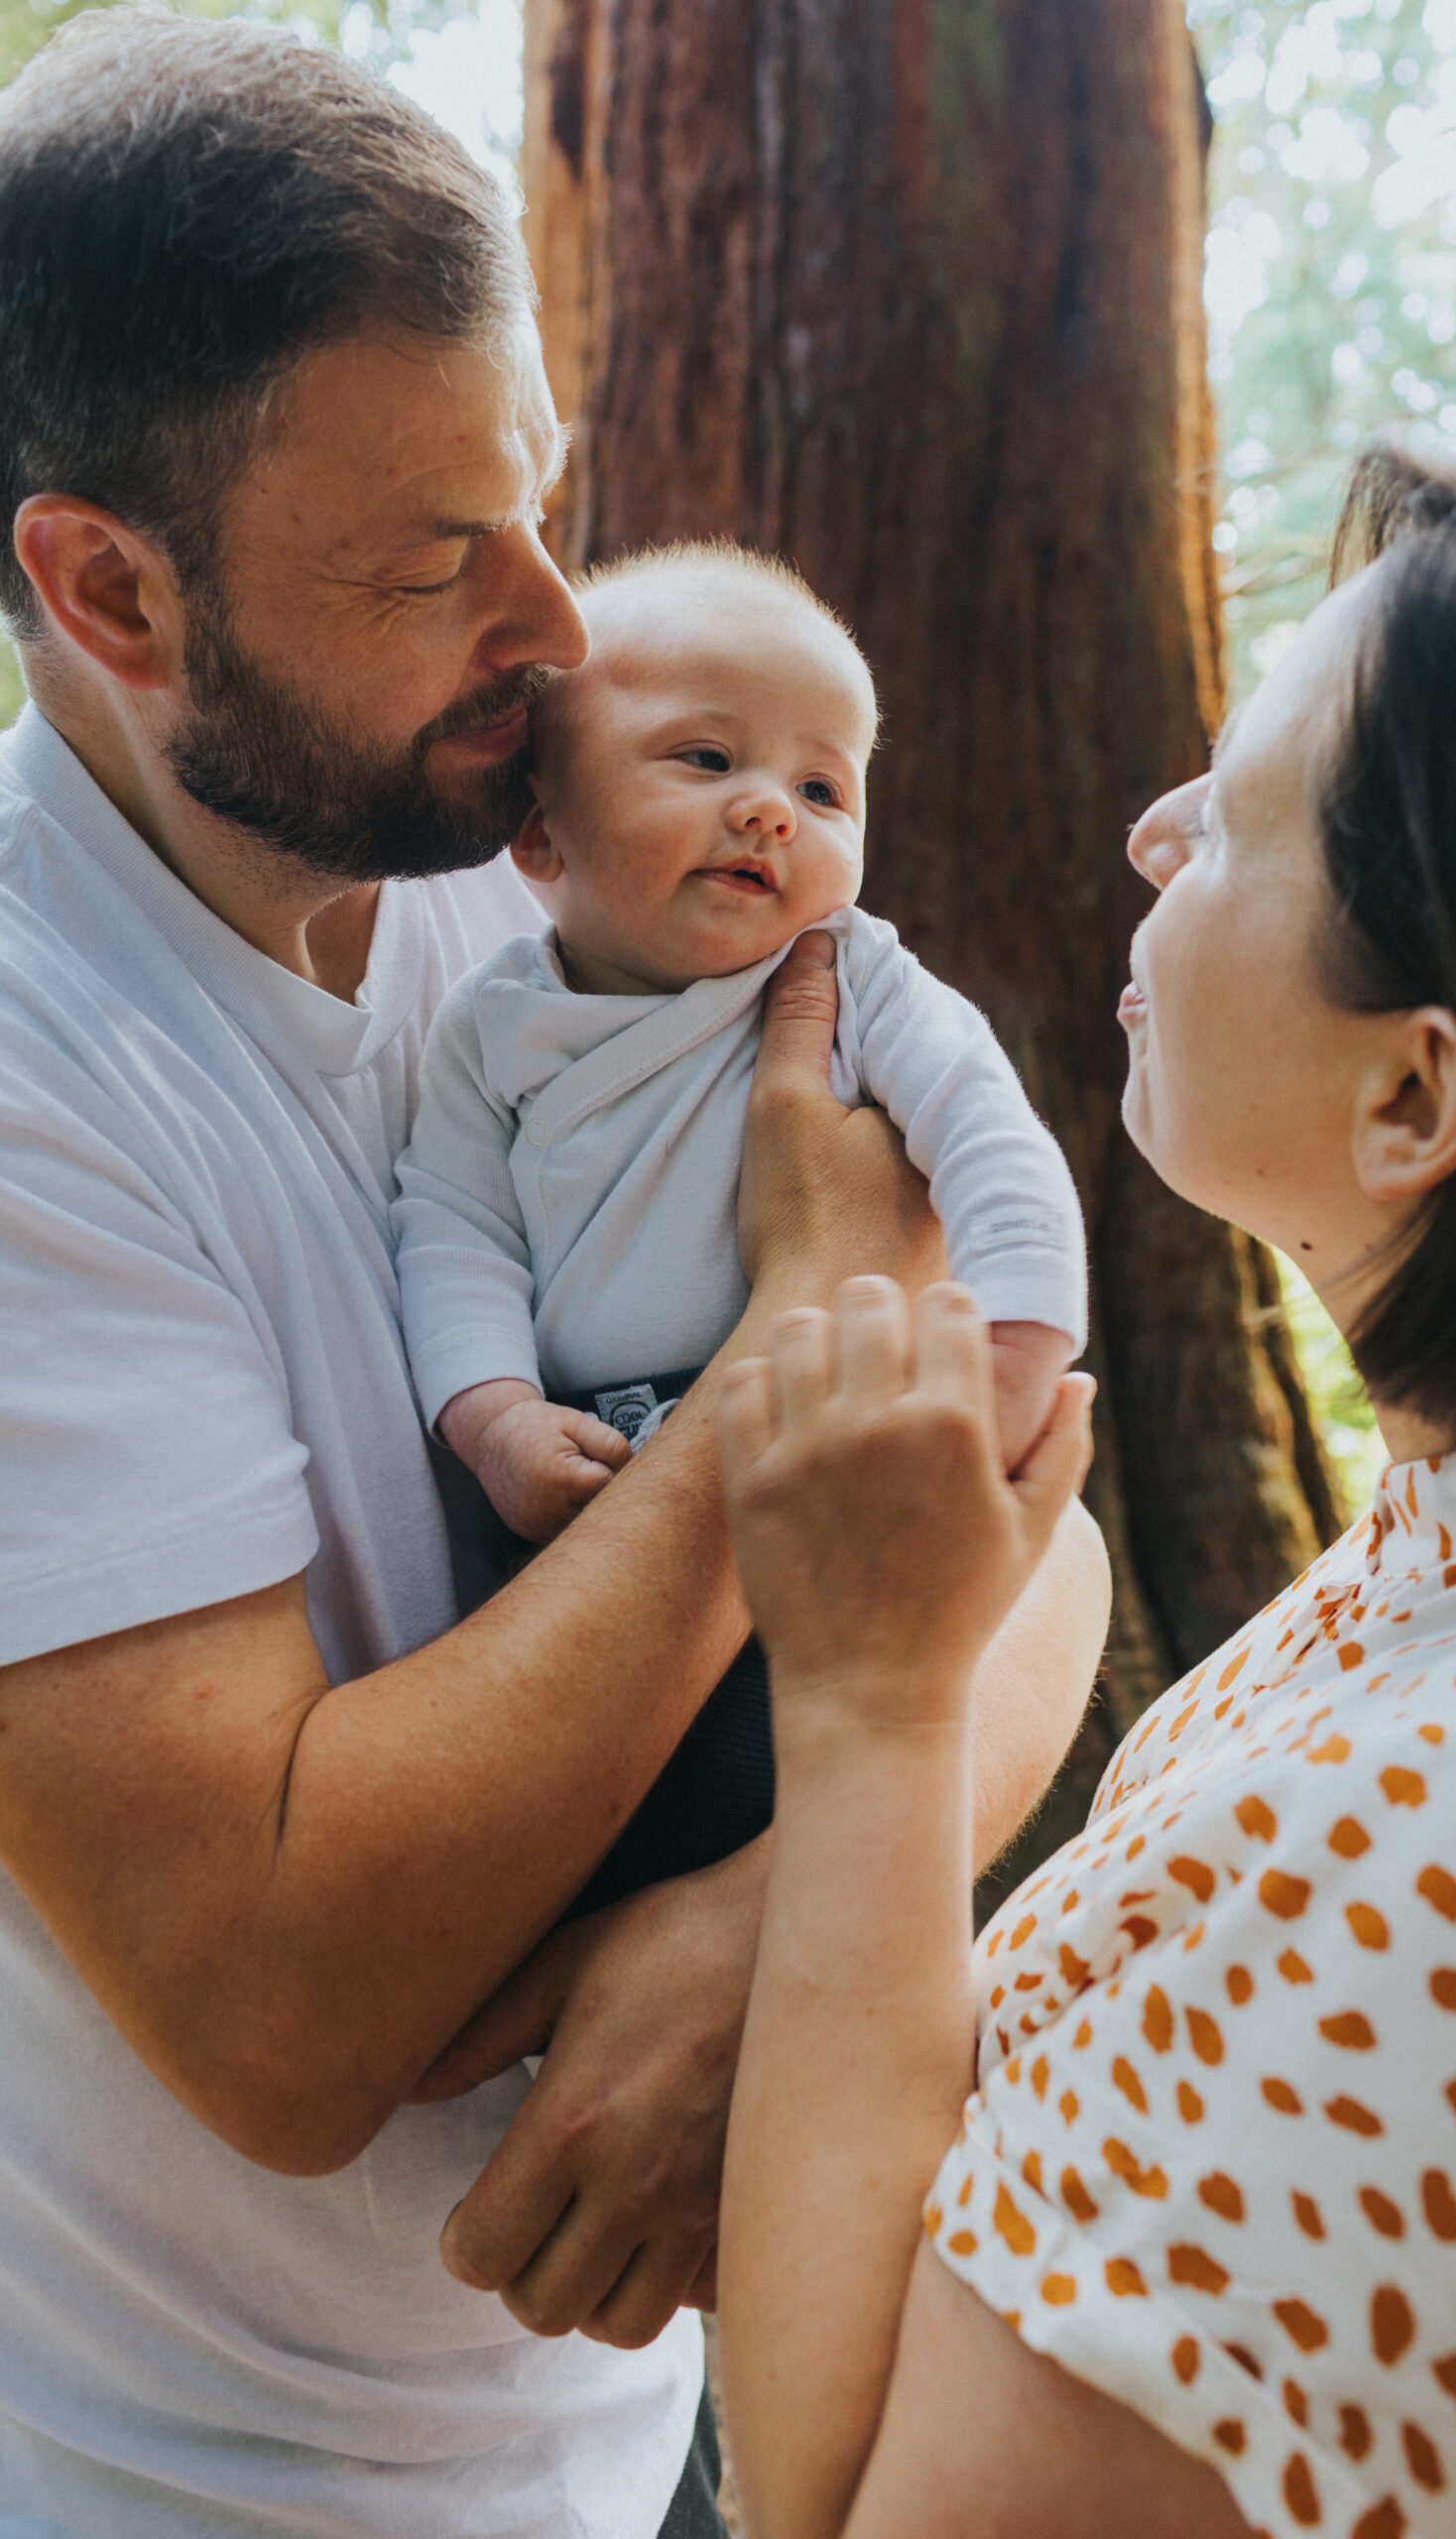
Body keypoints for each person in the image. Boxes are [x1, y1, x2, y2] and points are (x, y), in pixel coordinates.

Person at [0, 16, 1110, 2536]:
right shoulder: (37, 1080)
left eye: (547, 497)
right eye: (430, 563)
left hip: (620, 2439)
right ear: (106, 588)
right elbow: (290, 2009)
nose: (557, 624)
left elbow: (1046, 1529)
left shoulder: (569, 880)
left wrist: (808, 1884)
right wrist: (789, 1353)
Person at [667, 438, 1456, 2539]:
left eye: (1230, 816)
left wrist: (867, 1702)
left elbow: (842, 2505)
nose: (1148, 827)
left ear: (1413, 1089)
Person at [393, 542, 1086, 1909]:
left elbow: (990, 1137)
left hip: (828, 1452)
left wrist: (1015, 1346)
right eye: (706, 760)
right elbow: (452, 1230)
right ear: (542, 835)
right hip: (591, 1471)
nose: (773, 810)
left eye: (822, 787)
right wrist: (492, 1419)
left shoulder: (853, 975)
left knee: (796, 1773)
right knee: (584, 1812)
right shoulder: (494, 1022)